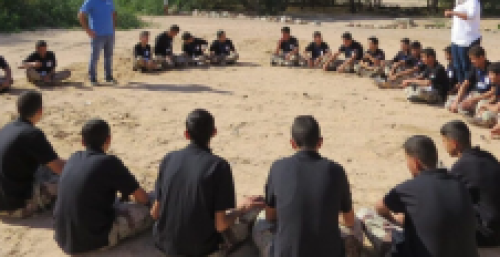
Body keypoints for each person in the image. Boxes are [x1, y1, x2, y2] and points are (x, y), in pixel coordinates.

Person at [151, 109, 265, 256]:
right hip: (202, 250)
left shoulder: (169, 159)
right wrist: (242, 208)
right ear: (214, 132)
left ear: (186, 134)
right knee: (254, 210)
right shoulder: (219, 166)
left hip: (164, 243)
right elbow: (221, 224)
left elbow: (155, 213)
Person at [253, 116, 362, 257]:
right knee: (357, 224)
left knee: (260, 222)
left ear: (292, 143)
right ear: (320, 142)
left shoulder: (278, 167)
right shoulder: (336, 170)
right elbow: (349, 220)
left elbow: (270, 216)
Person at [359, 135, 479, 257]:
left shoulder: (407, 189)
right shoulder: (459, 184)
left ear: (416, 163)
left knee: (364, 214)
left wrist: (393, 220)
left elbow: (380, 207)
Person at [54, 119, 152, 254]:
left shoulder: (74, 158)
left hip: (62, 236)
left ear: (82, 142)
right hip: (93, 240)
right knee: (150, 209)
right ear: (108, 140)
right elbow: (142, 198)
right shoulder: (109, 163)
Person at [0, 91, 65, 218]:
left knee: (46, 167)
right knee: (73, 182)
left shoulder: (7, 128)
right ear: (40, 111)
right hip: (16, 206)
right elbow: (60, 167)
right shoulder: (32, 134)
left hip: (4, 195)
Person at [441, 120, 500, 248]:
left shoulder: (462, 166)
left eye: (444, 142)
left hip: (488, 234)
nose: (443, 146)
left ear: (454, 143)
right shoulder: (488, 156)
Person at [78, 0, 117, 86]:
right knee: (95, 57)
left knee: (108, 56)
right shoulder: (92, 0)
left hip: (109, 33)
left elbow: (113, 13)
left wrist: (113, 29)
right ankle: (93, 78)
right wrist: (87, 30)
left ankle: (108, 77)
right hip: (97, 34)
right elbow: (81, 14)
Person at [445, 0, 481, 84]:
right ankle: (461, 87)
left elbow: (471, 15)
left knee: (466, 65)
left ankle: (469, 88)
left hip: (468, 39)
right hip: (457, 38)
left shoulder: (472, 0)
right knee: (457, 65)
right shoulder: (459, 0)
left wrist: (453, 13)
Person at [446, 46, 495, 116]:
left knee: (481, 111)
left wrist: (473, 100)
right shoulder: (474, 68)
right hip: (473, 94)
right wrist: (457, 101)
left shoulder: (492, 69)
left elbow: (493, 91)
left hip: (484, 97)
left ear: (481, 57)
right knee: (449, 104)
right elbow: (465, 84)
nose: (472, 61)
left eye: (473, 59)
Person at [468, 62, 500, 129]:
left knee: (487, 115)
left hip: (497, 109)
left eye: (491, 74)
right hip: (496, 108)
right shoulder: (498, 84)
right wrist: (485, 105)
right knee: (482, 104)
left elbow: (496, 108)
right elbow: (495, 98)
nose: (489, 76)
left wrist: (486, 106)